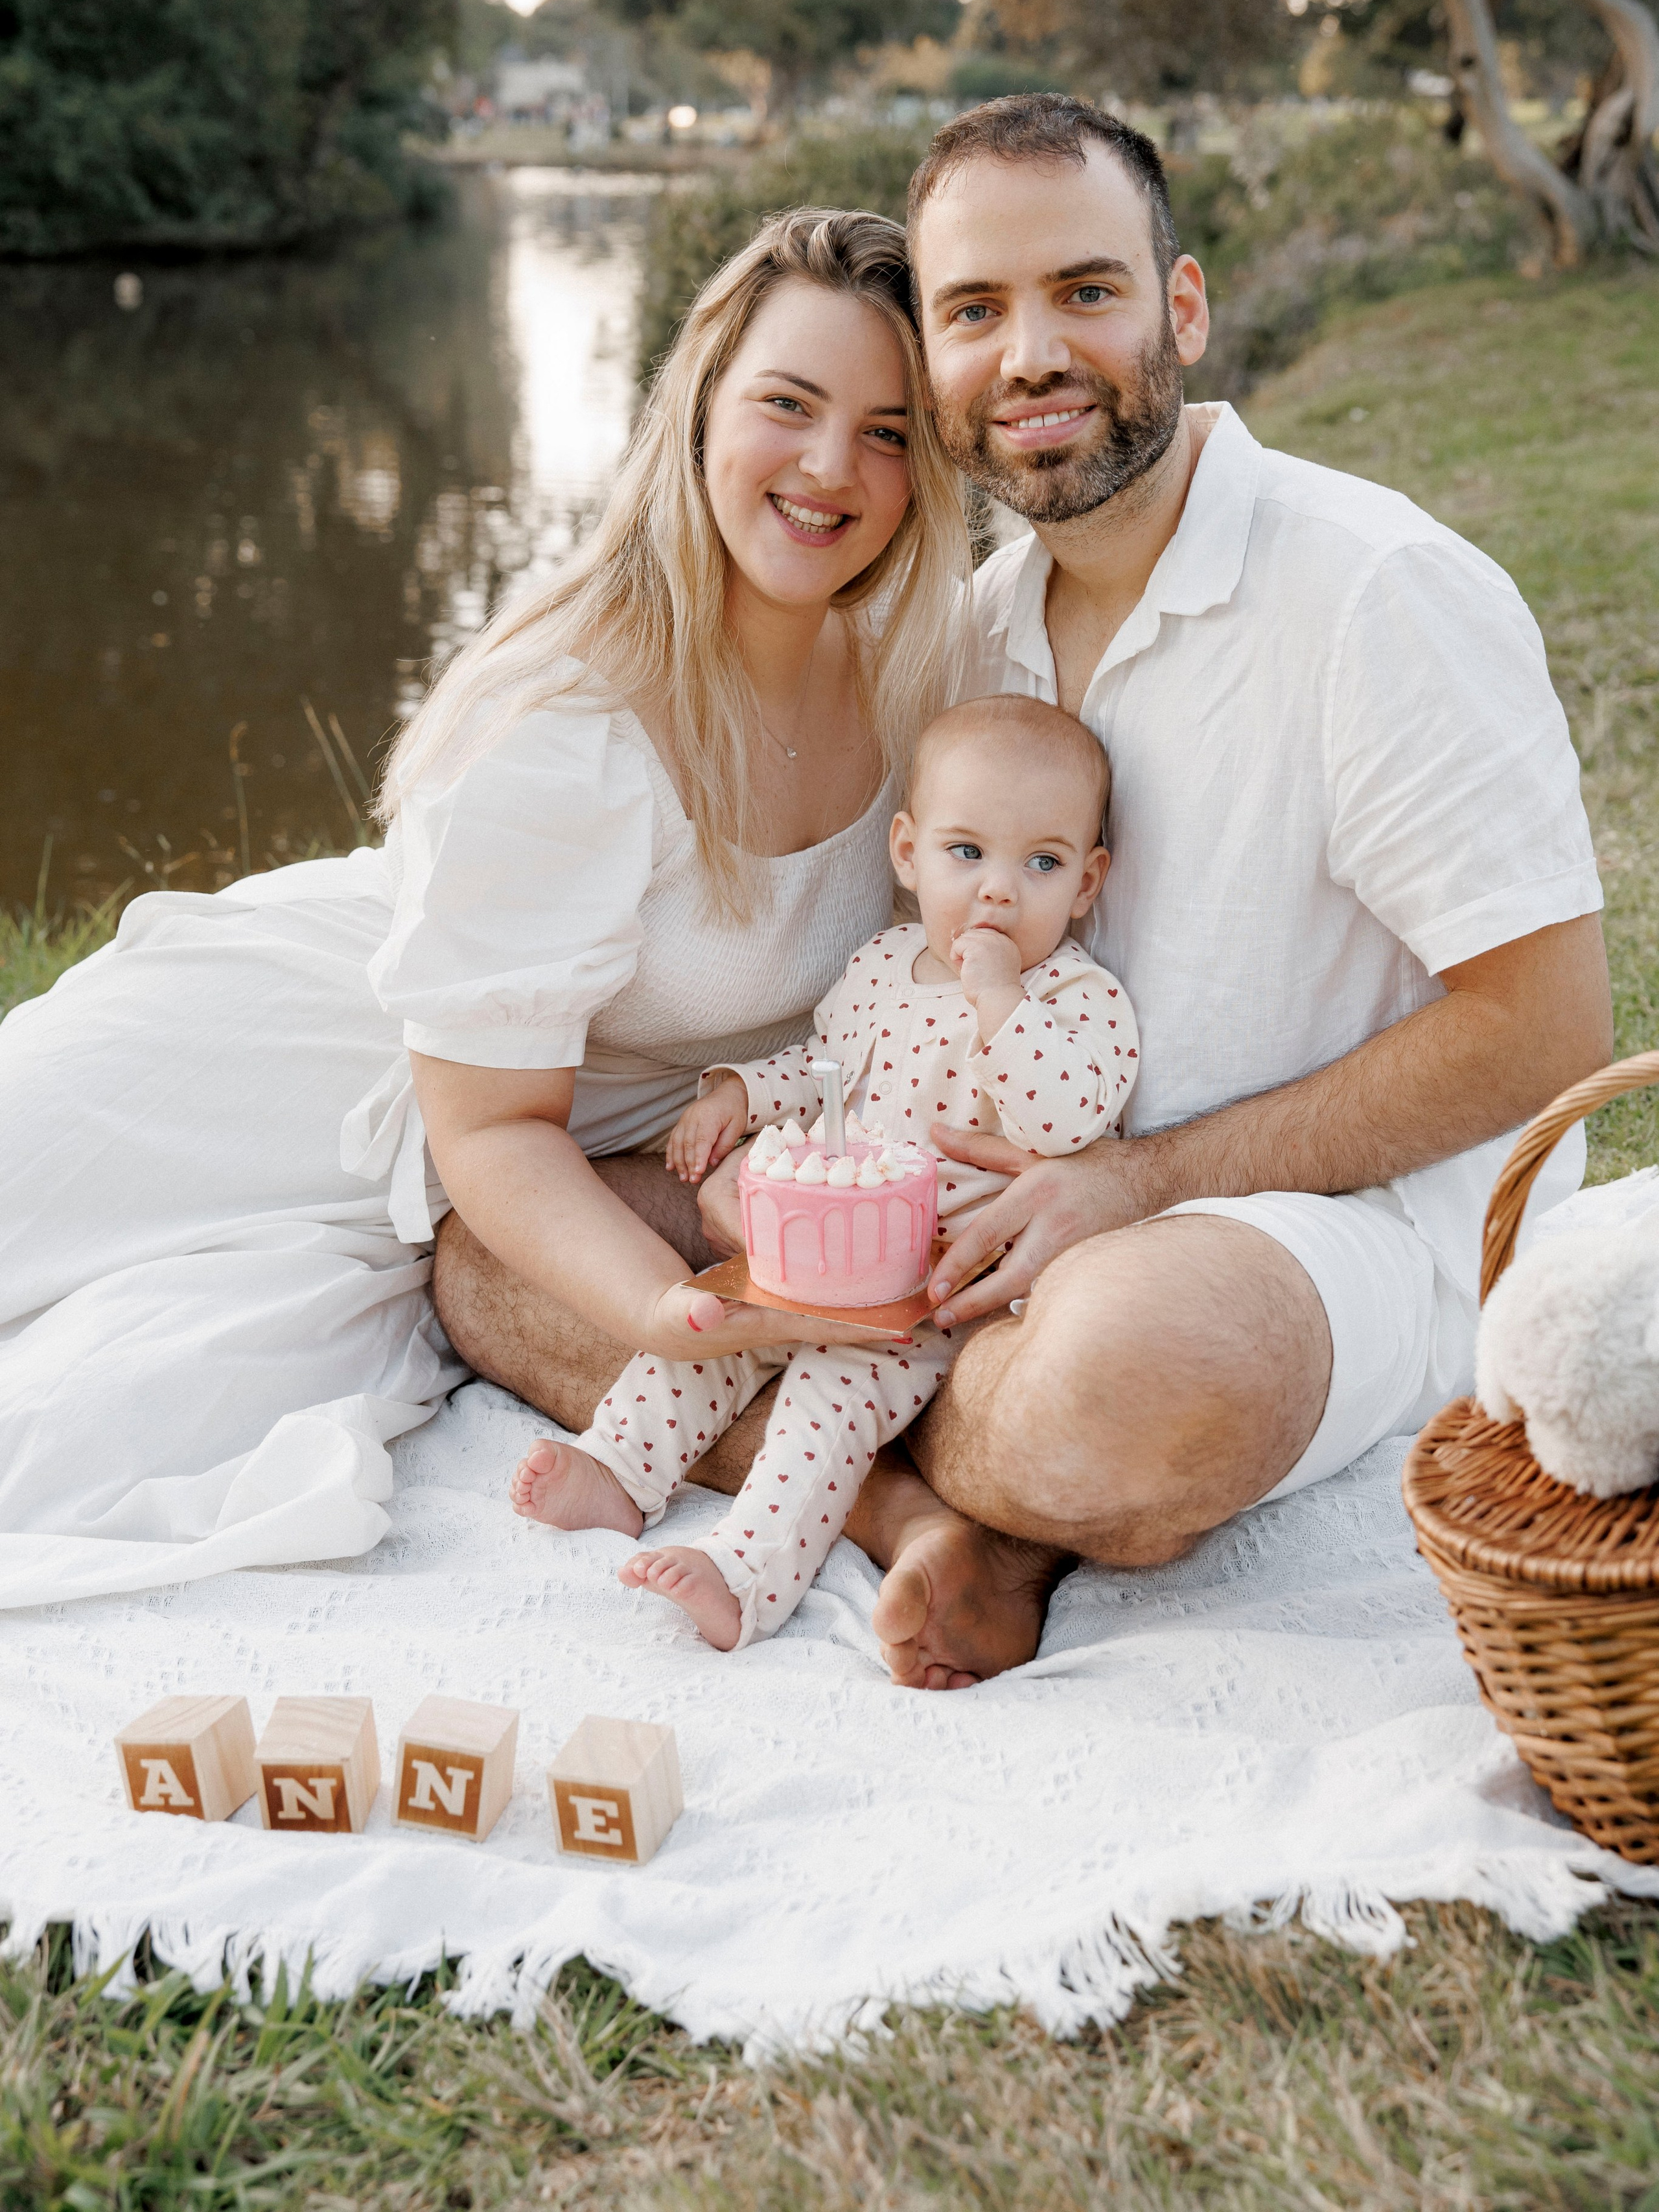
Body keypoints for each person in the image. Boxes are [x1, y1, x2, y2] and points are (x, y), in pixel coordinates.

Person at [480, 91, 1606, 1690]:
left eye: (1083, 292)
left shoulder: (1374, 594)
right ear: (931, 363)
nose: (1029, 357)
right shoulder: (975, 634)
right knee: (501, 1246)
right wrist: (777, 1165)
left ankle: (951, 1472)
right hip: (971, 1222)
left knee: (1138, 1370)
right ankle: (929, 1522)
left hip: (1289, 1230)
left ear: (1183, 308)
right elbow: (916, 979)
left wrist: (1133, 1186)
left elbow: (1547, 1028)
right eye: (972, 314)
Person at [0, 207, 971, 1604]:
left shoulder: (914, 678)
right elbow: (489, 1129)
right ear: (699, 410)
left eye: (888, 431)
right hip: (307, 1055)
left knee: (145, 1393)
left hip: (544, 1136)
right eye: (787, 404)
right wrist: (653, 1309)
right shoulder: (572, 713)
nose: (832, 467)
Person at [505, 693, 1134, 1659]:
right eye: (967, 855)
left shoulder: (1075, 1000)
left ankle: (747, 1574)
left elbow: (1068, 1118)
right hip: (821, 1243)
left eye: (1040, 864)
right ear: (908, 855)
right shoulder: (885, 965)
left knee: (826, 1402)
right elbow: (823, 1065)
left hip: (931, 1291)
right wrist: (740, 1094)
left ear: (1088, 883)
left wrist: (999, 997)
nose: (998, 892)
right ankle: (619, 1471)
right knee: (714, 1329)